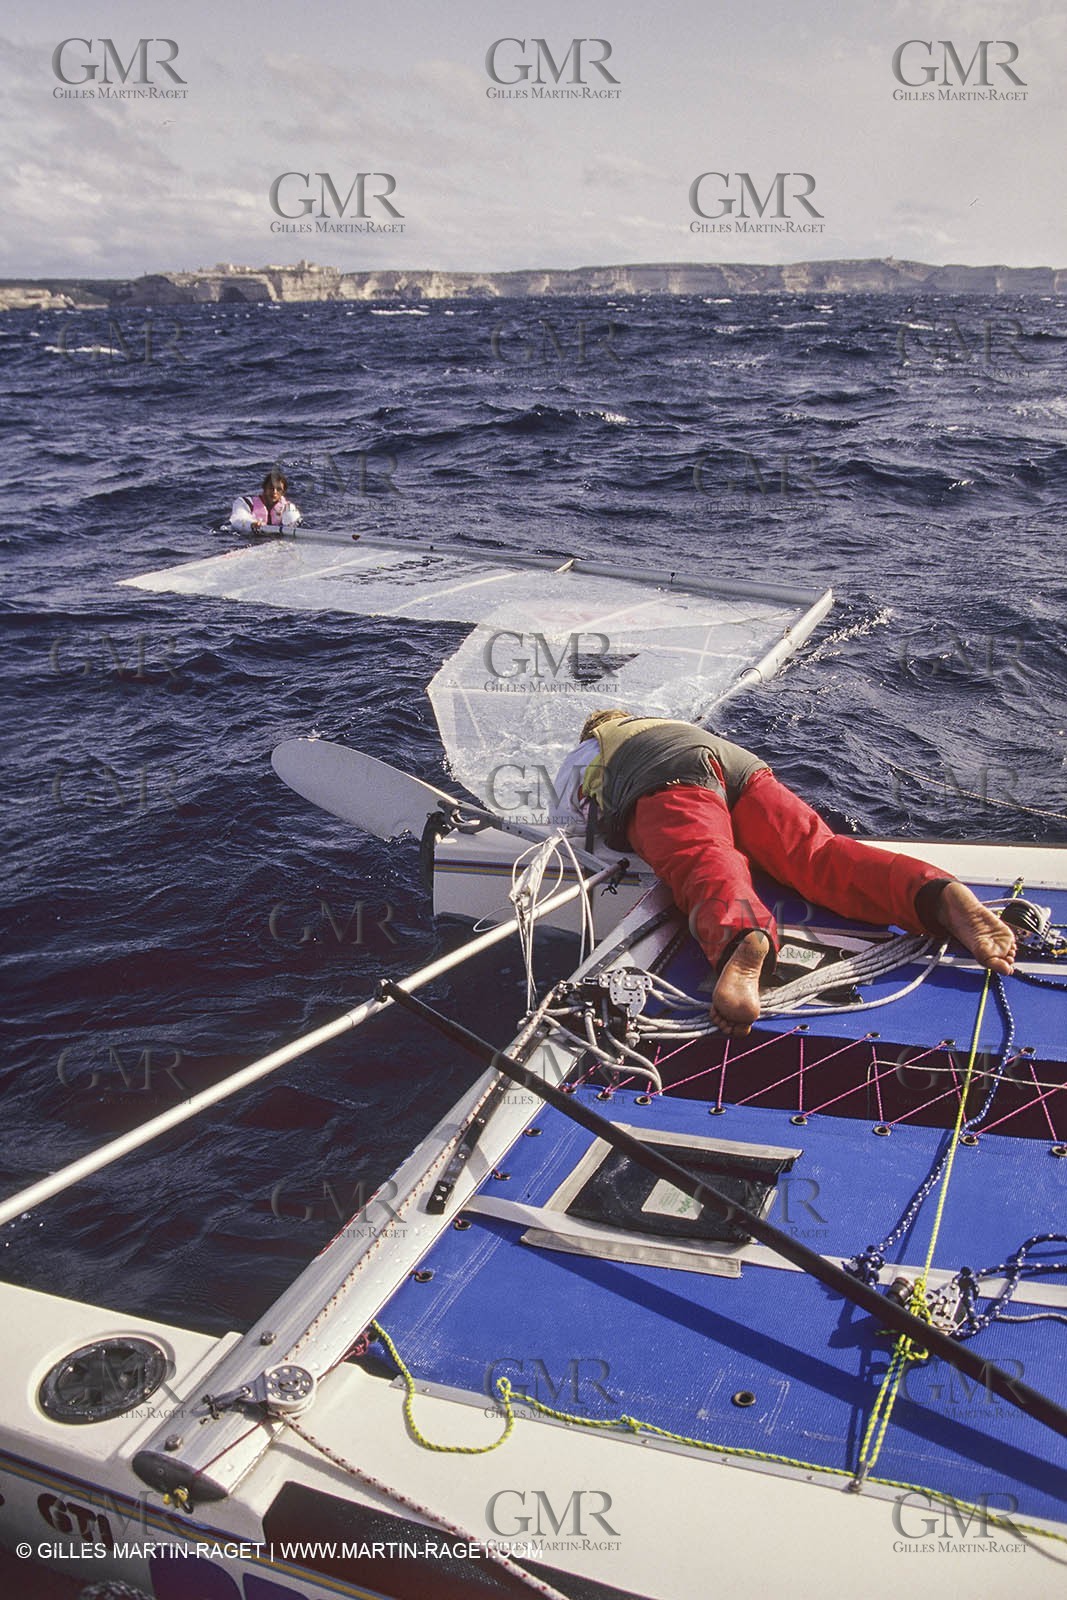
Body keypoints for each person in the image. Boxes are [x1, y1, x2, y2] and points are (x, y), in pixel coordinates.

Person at [553, 709, 1016, 1037]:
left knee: (704, 854)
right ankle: (936, 894)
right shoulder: (665, 723)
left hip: (665, 776)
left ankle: (743, 939)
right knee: (818, 854)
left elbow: (564, 827)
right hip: (736, 766)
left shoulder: (591, 748)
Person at [229, 470, 302, 532]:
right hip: (249, 537)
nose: (274, 492)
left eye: (279, 489)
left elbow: (294, 525)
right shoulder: (245, 503)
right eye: (271, 487)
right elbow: (237, 520)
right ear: (264, 488)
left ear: (283, 492)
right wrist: (252, 524)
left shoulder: (288, 508)